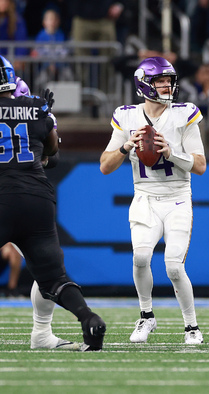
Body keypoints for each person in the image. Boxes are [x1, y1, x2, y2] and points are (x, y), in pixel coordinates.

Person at [0, 55, 106, 351]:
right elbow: (53, 153)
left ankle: (44, 335)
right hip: (37, 199)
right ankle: (88, 318)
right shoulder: (34, 107)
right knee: (53, 278)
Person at [99, 56, 206, 345]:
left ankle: (191, 326)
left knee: (173, 265)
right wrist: (125, 146)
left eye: (169, 80)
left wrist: (172, 153)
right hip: (145, 196)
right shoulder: (127, 117)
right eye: (160, 81)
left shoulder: (185, 114)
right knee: (141, 257)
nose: (167, 86)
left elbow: (200, 165)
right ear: (145, 85)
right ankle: (146, 316)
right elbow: (105, 166)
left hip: (178, 198)